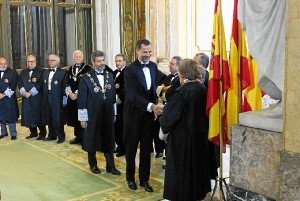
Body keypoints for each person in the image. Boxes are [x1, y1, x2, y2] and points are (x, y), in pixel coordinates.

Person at [159, 59, 211, 201]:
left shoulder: (183, 91)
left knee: (180, 170)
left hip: (182, 139)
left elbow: (169, 117)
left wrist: (163, 116)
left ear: (181, 73)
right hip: (198, 136)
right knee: (195, 169)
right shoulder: (201, 88)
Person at [123, 39, 162, 192]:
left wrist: (156, 106)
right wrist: (151, 106)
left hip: (147, 117)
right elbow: (133, 96)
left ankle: (144, 179)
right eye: (145, 52)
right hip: (133, 116)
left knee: (147, 149)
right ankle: (130, 178)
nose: (147, 55)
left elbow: (153, 89)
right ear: (137, 51)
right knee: (131, 149)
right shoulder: (130, 70)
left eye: (149, 52)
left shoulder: (153, 66)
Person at [77, 50, 121, 176]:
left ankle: (110, 166)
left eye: (103, 60)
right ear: (93, 62)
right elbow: (82, 100)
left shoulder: (109, 75)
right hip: (92, 114)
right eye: (98, 61)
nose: (101, 63)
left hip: (107, 113)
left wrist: (114, 113)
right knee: (91, 138)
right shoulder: (85, 78)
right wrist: (83, 118)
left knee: (109, 138)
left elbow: (113, 96)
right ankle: (93, 165)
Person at [65, 50, 92, 145]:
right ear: (73, 58)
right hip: (72, 98)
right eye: (76, 57)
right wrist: (70, 93)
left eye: (80, 57)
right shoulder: (70, 69)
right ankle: (77, 137)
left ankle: (84, 138)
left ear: (83, 57)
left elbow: (87, 82)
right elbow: (66, 82)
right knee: (74, 117)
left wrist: (77, 93)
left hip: (82, 97)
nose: (78, 58)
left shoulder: (88, 68)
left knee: (82, 117)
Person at [18, 55, 47, 140]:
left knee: (39, 116)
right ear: (27, 62)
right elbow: (20, 83)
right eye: (29, 62)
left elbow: (40, 84)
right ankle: (33, 132)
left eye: (32, 61)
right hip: (26, 98)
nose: (31, 63)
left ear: (36, 62)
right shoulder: (23, 72)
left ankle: (42, 133)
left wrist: (30, 93)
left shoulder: (42, 71)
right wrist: (23, 92)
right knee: (29, 115)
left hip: (37, 98)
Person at [41, 54, 68, 144]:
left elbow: (65, 86)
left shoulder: (63, 72)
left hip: (58, 97)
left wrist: (65, 99)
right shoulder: (45, 72)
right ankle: (51, 135)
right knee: (49, 116)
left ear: (58, 62)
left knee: (58, 117)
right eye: (49, 60)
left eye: (53, 60)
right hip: (47, 96)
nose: (50, 62)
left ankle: (61, 136)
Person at [150, 56, 167, 158]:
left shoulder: (162, 76)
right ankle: (149, 147)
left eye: (153, 63)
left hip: (158, 105)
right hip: (148, 104)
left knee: (157, 128)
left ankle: (159, 150)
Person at [0, 57, 19, 140]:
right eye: (1, 64)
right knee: (1, 115)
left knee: (11, 115)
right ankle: (3, 132)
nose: (3, 65)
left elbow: (13, 85)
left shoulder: (12, 72)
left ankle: (13, 133)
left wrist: (3, 94)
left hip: (9, 98)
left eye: (5, 63)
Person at [113, 53, 126, 157]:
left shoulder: (128, 73)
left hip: (123, 103)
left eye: (120, 61)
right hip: (114, 104)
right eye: (116, 61)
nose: (118, 63)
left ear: (124, 61)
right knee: (116, 125)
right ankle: (118, 145)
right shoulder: (114, 73)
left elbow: (126, 88)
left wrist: (119, 97)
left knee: (122, 126)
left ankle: (123, 147)